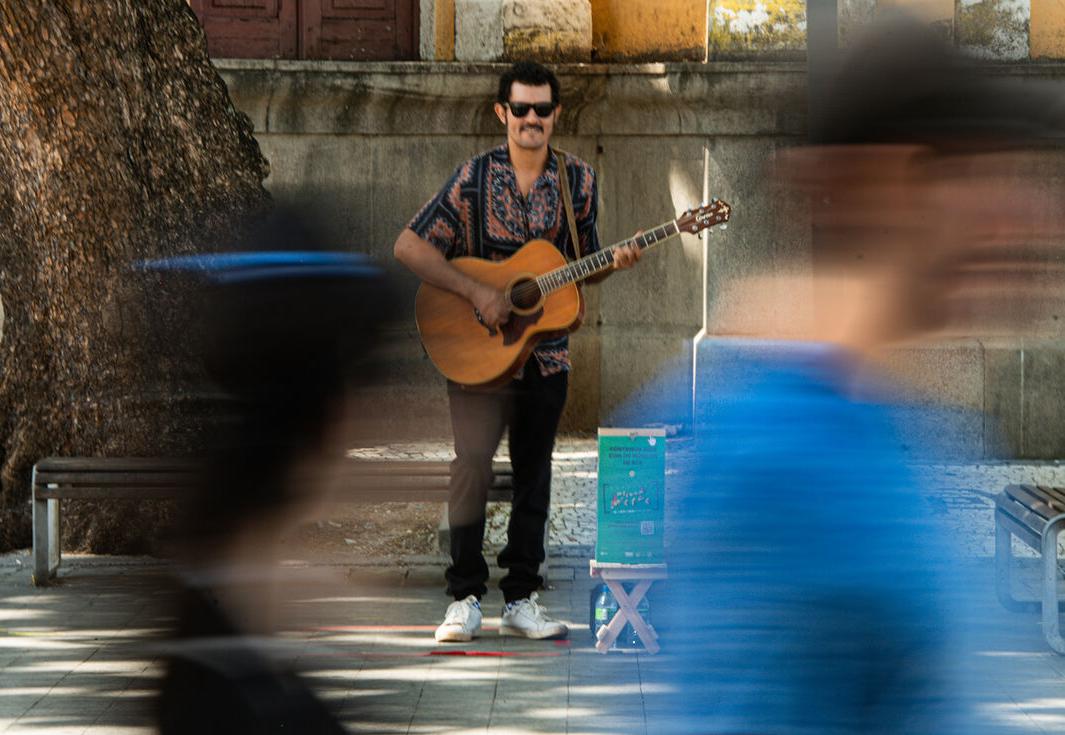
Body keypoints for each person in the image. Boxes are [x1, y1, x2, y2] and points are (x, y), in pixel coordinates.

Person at [614, 17, 1065, 734]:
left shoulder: (872, 418)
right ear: (887, 183)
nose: (1022, 212)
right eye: (976, 171)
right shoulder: (783, 455)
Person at [394, 60, 641, 642]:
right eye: (522, 108)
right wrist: (479, 290)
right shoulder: (473, 180)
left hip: (546, 357)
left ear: (556, 115)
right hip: (477, 355)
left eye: (544, 109)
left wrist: (614, 261)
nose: (533, 119)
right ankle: (464, 598)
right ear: (502, 113)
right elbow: (409, 246)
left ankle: (523, 598)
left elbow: (579, 273)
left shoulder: (578, 181)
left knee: (535, 477)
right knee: (470, 471)